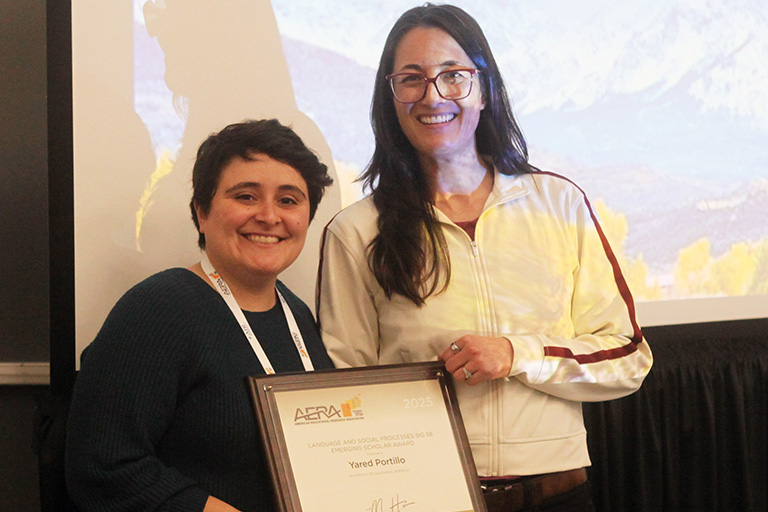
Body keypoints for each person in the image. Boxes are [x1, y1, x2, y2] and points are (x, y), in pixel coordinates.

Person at [316, 4, 653, 512]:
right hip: (427, 495)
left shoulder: (558, 205)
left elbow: (628, 357)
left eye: (454, 76)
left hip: (558, 495)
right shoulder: (356, 231)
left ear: (485, 88)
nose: (433, 96)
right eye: (411, 79)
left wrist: (518, 354)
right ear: (390, 99)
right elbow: (347, 392)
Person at [66, 119, 334, 512]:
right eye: (246, 196)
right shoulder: (159, 309)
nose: (269, 216)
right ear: (202, 212)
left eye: (289, 200)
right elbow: (102, 466)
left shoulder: (297, 315)